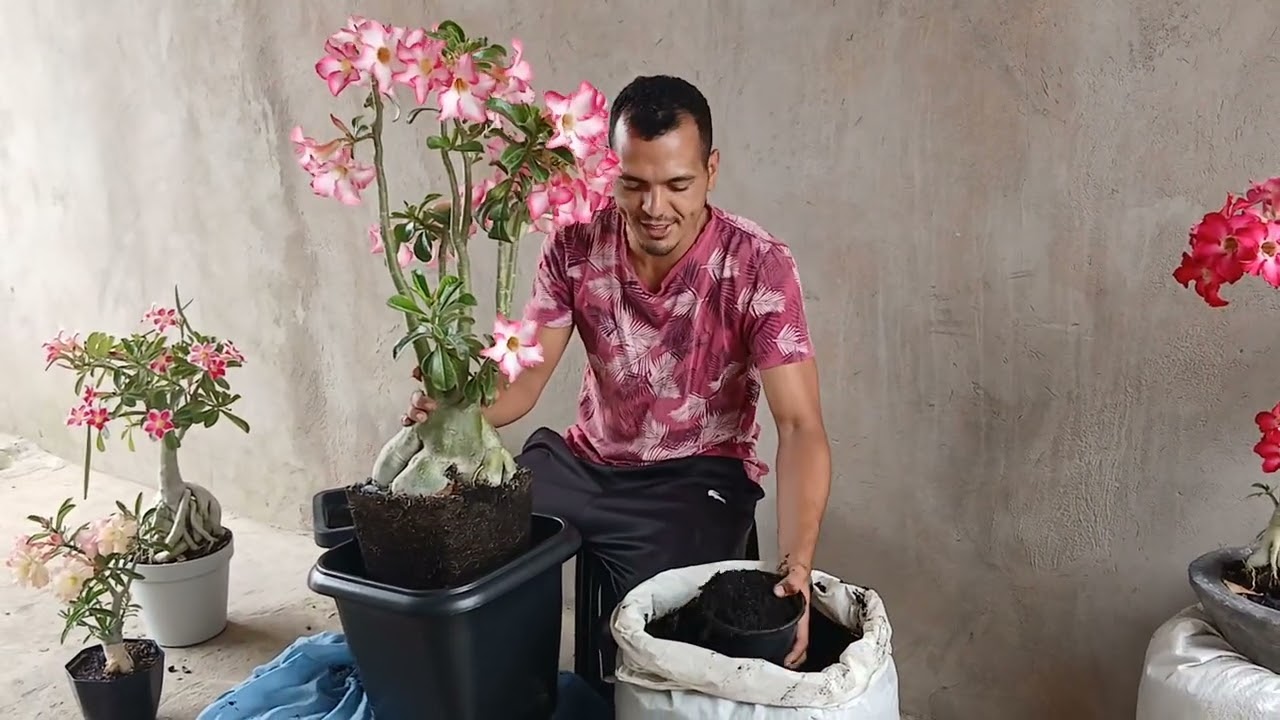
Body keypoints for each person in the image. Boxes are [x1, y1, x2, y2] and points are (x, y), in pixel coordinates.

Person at [404, 74, 832, 678]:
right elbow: (524, 384)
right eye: (633, 184)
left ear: (712, 170)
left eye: (678, 184)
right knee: (466, 538)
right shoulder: (575, 240)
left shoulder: (757, 264)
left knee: (651, 651)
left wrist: (798, 561)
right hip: (587, 465)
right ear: (611, 171)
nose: (655, 208)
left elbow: (799, 425)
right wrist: (454, 412)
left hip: (694, 478)